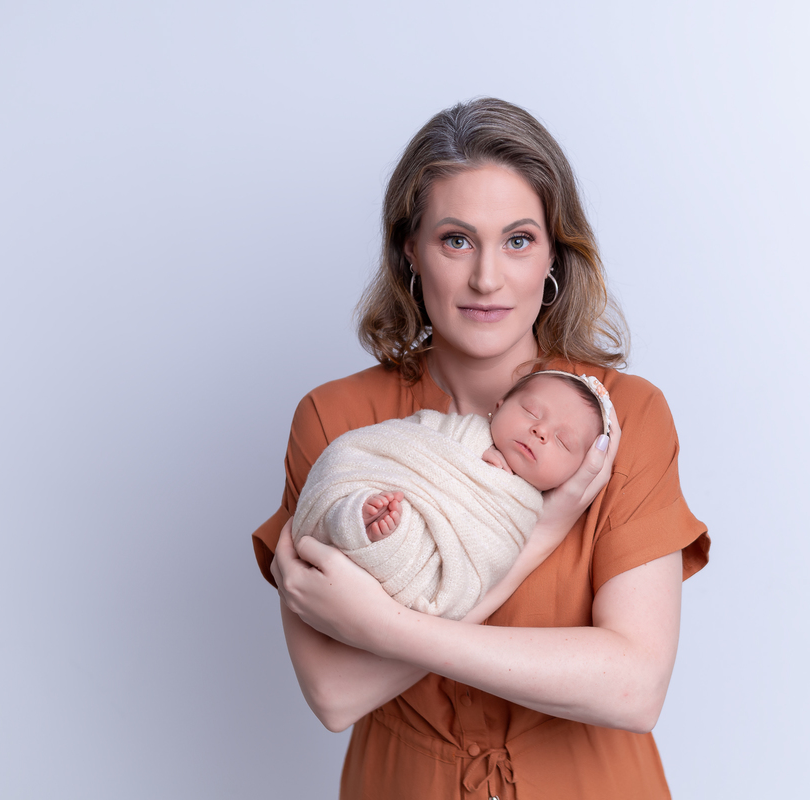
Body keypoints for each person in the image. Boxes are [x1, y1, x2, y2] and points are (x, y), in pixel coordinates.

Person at [250, 97, 710, 800]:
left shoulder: (625, 419)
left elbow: (635, 686)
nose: (487, 279)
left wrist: (383, 628)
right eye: (456, 240)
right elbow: (336, 694)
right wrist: (538, 538)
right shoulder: (335, 420)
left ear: (554, 254)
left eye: (518, 240)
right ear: (410, 249)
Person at [292, 371, 612, 620]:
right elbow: (396, 441)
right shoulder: (456, 429)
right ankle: (356, 517)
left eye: (563, 441)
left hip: (419, 556)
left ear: (577, 472)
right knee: (380, 500)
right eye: (531, 411)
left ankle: (375, 533)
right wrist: (473, 448)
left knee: (409, 540)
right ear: (498, 407)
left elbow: (484, 561)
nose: (540, 431)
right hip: (392, 485)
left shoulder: (521, 511)